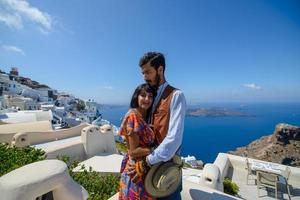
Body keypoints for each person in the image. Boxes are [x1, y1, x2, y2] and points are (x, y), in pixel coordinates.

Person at [129, 52, 186, 200]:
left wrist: (147, 162)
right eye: (143, 73)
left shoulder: (176, 95)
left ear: (160, 70)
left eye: (148, 72)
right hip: (150, 165)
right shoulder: (150, 96)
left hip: (165, 166)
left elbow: (174, 139)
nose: (144, 77)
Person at [118, 83, 157, 200]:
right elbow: (133, 151)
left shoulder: (144, 116)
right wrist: (155, 150)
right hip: (136, 172)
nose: (147, 99)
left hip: (144, 169)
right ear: (136, 97)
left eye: (150, 96)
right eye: (143, 95)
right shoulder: (133, 116)